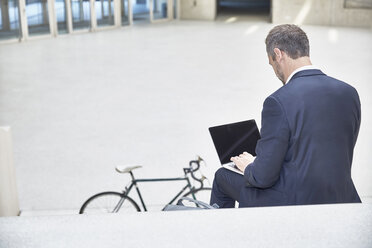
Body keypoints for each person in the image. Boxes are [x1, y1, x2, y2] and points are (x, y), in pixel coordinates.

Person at [210, 24, 361, 208]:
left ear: (278, 54)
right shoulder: (349, 93)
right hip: (342, 195)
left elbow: (262, 177)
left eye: (271, 63)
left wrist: (250, 166)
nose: (274, 70)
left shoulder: (278, 101)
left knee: (222, 176)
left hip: (294, 201)